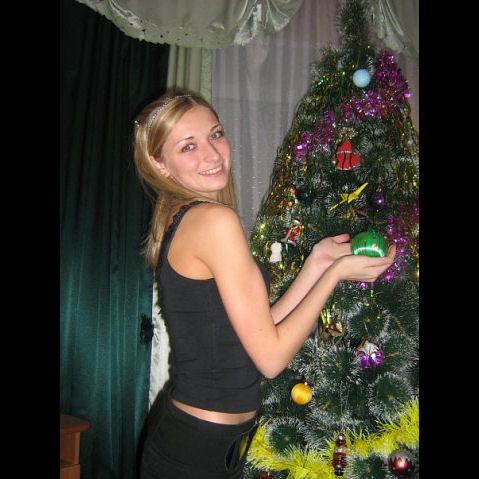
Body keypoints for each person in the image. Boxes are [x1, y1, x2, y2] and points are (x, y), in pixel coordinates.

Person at [134, 91, 396, 479]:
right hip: (196, 450)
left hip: (200, 441)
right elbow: (270, 360)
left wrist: (317, 263)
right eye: (188, 146)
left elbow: (254, 332)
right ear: (160, 163)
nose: (212, 153)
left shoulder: (189, 218)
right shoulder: (212, 221)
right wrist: (335, 274)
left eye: (215, 134)